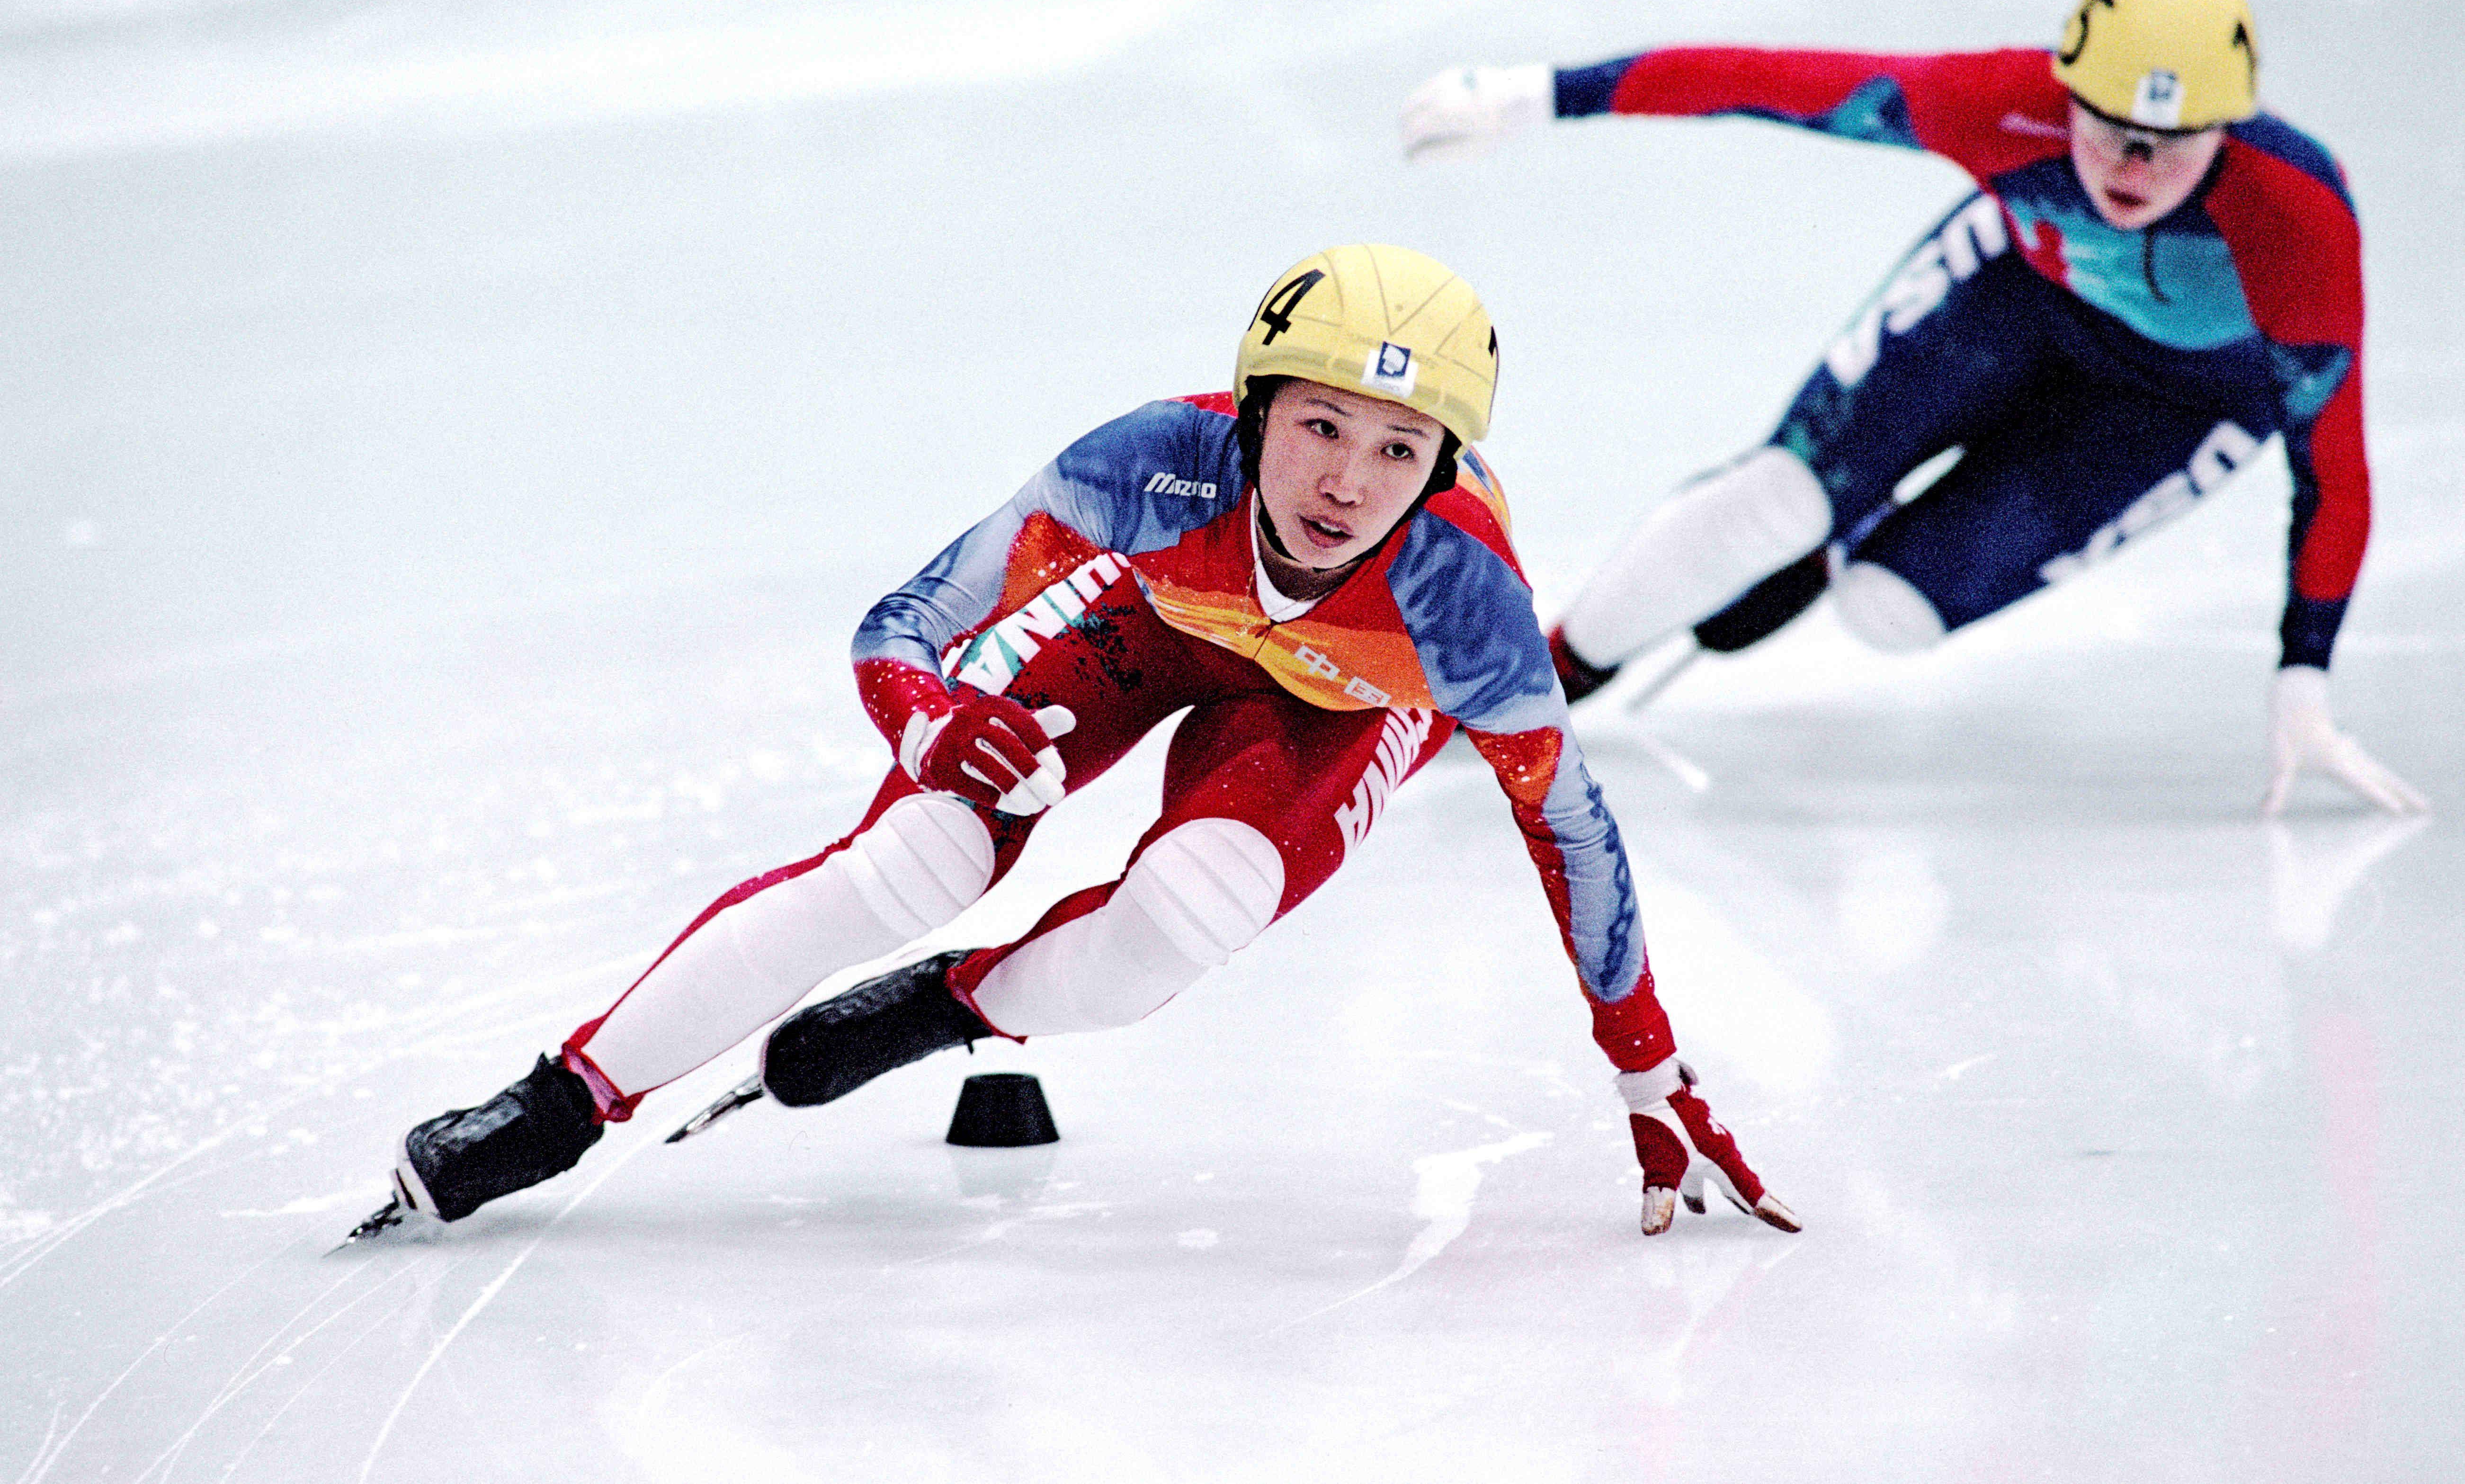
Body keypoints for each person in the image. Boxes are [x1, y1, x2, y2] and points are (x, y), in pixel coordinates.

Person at [358, 244, 1798, 1243]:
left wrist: (1643, 1063)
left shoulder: (1463, 599)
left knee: (1188, 911)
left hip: (1337, 708)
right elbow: (901, 623)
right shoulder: (1148, 463)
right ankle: (554, 1106)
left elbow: (1568, 828)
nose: (1347, 484)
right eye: (1316, 429)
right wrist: (936, 718)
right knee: (914, 847)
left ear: (1436, 472)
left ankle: (952, 1006)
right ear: (1249, 413)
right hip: (1154, 620)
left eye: (1394, 452)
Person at [1400, 0, 2424, 816]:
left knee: (1887, 611)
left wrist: (2304, 679)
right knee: (1773, 502)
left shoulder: (2294, 219)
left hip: (2182, 403)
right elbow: (1767, 83)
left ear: (2227, 132)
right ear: (2062, 92)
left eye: (2172, 144)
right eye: (2107, 125)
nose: (2131, 165)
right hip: (2017, 293)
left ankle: (1838, 546)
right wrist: (1534, 96)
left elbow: (2329, 464)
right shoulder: (1997, 106)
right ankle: (1554, 671)